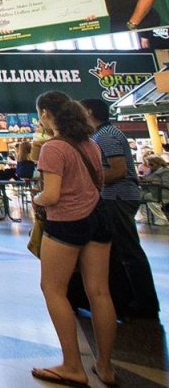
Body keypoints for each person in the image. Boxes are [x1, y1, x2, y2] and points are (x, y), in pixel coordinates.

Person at [31, 91, 117, 388]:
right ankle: (104, 367)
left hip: (67, 223)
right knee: (100, 293)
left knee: (53, 289)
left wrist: (36, 199)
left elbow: (52, 195)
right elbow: (100, 182)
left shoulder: (53, 148)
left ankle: (72, 366)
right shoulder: (89, 144)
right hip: (99, 219)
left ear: (45, 114)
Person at [79, 98, 161, 319]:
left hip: (117, 197)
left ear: (89, 111)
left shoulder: (106, 135)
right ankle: (132, 299)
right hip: (114, 197)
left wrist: (90, 180)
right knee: (120, 249)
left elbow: (118, 170)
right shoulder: (101, 135)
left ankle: (145, 302)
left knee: (128, 249)